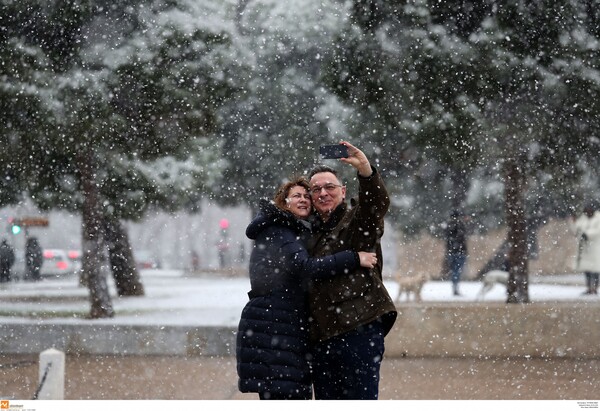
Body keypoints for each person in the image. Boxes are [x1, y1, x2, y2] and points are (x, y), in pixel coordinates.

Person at [236, 176, 379, 400]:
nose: (303, 200)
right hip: (275, 325)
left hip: (278, 323)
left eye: (306, 196)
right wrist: (353, 258)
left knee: (286, 392)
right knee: (284, 394)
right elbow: (304, 267)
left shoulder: (290, 230)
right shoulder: (280, 230)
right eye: (296, 196)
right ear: (283, 202)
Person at [306, 141, 397, 400]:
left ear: (343, 191)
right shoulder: (306, 233)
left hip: (358, 331)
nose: (323, 193)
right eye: (316, 189)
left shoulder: (356, 221)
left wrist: (366, 172)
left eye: (330, 187)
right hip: (322, 339)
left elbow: (375, 206)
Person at [571, 203, 600, 295]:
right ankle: (589, 287)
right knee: (586, 269)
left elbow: (597, 231)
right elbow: (577, 229)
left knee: (595, 269)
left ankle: (594, 288)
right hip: (584, 248)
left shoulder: (598, 219)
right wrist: (574, 222)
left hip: (595, 246)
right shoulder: (583, 219)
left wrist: (587, 234)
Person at [444, 210, 468, 296]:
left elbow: (447, 237)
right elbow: (461, 237)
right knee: (457, 270)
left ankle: (454, 286)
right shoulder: (460, 224)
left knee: (454, 270)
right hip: (460, 252)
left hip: (450, 252)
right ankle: (456, 288)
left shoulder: (448, 225)